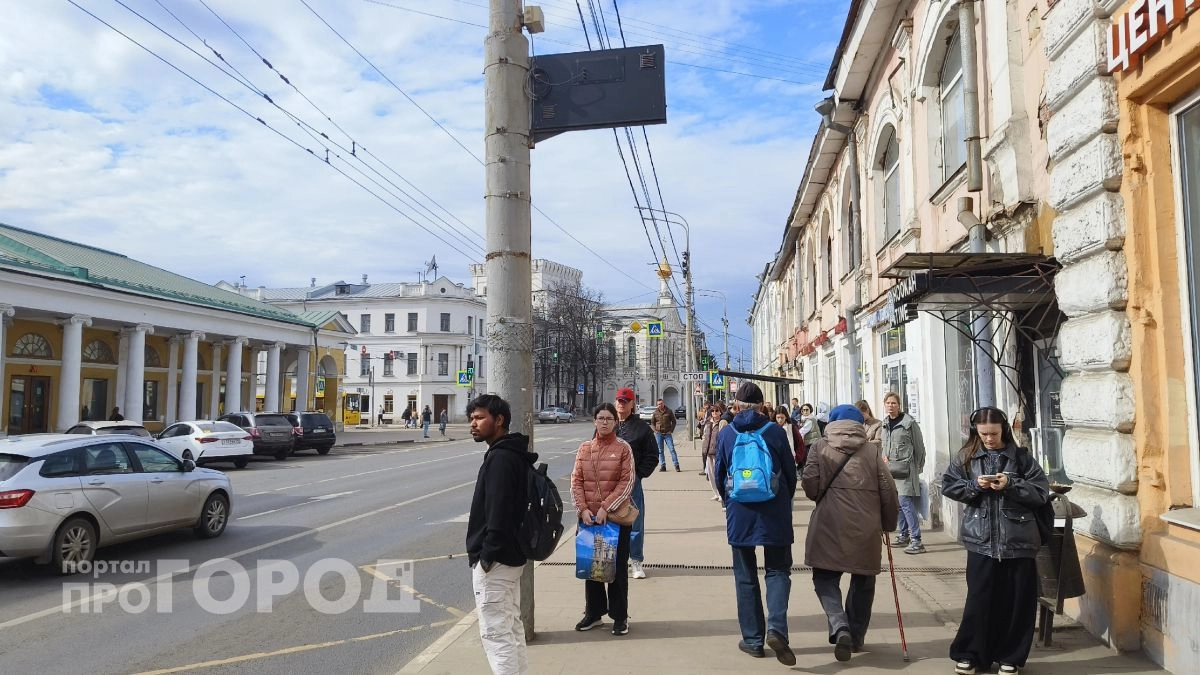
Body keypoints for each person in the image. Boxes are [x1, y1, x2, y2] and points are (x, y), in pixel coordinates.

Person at [942, 407, 1049, 675]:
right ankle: (970, 654)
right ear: (975, 432)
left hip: (1019, 541)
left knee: (1017, 603)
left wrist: (1011, 485)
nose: (989, 439)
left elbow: (1041, 492)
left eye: (994, 433)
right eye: (984, 434)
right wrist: (974, 486)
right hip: (980, 540)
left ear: (1004, 431)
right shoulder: (966, 457)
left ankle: (1010, 657)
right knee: (979, 600)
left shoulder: (1021, 458)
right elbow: (948, 485)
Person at [802, 404, 899, 661]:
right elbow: (889, 491)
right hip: (866, 527)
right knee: (863, 580)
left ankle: (839, 624)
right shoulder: (871, 451)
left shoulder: (819, 447)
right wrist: (889, 524)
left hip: (828, 524)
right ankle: (855, 637)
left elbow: (810, 486)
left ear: (832, 422)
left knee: (825, 578)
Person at [714, 382, 798, 666]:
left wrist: (729, 503)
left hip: (740, 512)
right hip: (774, 510)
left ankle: (752, 640)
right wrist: (784, 500)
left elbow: (719, 474)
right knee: (777, 571)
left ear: (736, 406)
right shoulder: (774, 431)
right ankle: (776, 629)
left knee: (745, 576)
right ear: (762, 407)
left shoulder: (727, 433)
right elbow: (790, 471)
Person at [464, 394, 533, 675]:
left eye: (479, 418)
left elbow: (499, 513)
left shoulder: (501, 459)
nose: (473, 424)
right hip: (511, 557)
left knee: (496, 635)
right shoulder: (510, 453)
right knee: (511, 628)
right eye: (471, 418)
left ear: (499, 420)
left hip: (497, 561)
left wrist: (486, 557)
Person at [572, 402, 636, 636]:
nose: (605, 422)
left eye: (609, 418)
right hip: (589, 519)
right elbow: (576, 480)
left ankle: (620, 617)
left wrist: (606, 508)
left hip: (615, 520)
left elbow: (627, 482)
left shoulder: (623, 449)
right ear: (594, 421)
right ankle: (594, 613)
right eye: (601, 418)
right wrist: (582, 509)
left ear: (615, 422)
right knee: (592, 567)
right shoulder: (584, 448)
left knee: (617, 570)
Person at [614, 387, 657, 580]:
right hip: (609, 483)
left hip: (632, 483)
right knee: (610, 521)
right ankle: (614, 560)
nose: (621, 404)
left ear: (632, 404)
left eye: (625, 401)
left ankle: (636, 560)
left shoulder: (641, 428)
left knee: (635, 522)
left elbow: (652, 455)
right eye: (619, 401)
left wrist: (639, 475)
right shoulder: (609, 424)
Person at [880, 392, 927, 554]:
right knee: (898, 504)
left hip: (906, 470)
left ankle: (917, 540)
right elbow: (884, 445)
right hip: (890, 470)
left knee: (905, 503)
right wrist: (883, 457)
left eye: (893, 403)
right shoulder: (885, 424)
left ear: (899, 405)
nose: (890, 406)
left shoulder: (909, 423)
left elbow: (919, 447)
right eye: (888, 403)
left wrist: (918, 467)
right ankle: (903, 534)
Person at [650, 398, 680, 472]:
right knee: (660, 450)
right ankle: (663, 466)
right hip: (659, 434)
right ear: (657, 405)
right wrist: (655, 431)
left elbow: (674, 421)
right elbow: (652, 423)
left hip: (667, 434)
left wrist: (671, 430)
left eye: (661, 404)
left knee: (672, 449)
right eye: (658, 404)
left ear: (663, 404)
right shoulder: (655, 412)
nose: (660, 405)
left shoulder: (669, 411)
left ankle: (676, 465)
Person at [701, 406, 723, 502]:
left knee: (717, 474)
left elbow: (724, 436)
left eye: (716, 411)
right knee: (710, 474)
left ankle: (721, 494)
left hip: (717, 452)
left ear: (720, 412)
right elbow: (704, 435)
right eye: (712, 411)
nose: (714, 412)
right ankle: (716, 493)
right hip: (708, 452)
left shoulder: (722, 423)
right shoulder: (708, 423)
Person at [774, 405, 806, 471]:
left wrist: (796, 458)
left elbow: (800, 444)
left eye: (782, 418)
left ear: (786, 417)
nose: (780, 420)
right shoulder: (771, 428)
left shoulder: (792, 428)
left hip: (790, 461)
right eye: (778, 417)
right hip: (776, 462)